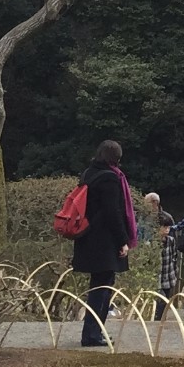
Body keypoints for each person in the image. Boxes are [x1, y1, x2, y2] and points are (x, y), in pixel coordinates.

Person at [71, 139, 137, 346]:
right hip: (105, 240)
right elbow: (113, 212)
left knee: (97, 287)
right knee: (103, 288)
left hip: (87, 237)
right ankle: (92, 334)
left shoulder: (89, 173)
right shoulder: (110, 178)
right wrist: (123, 240)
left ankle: (93, 332)